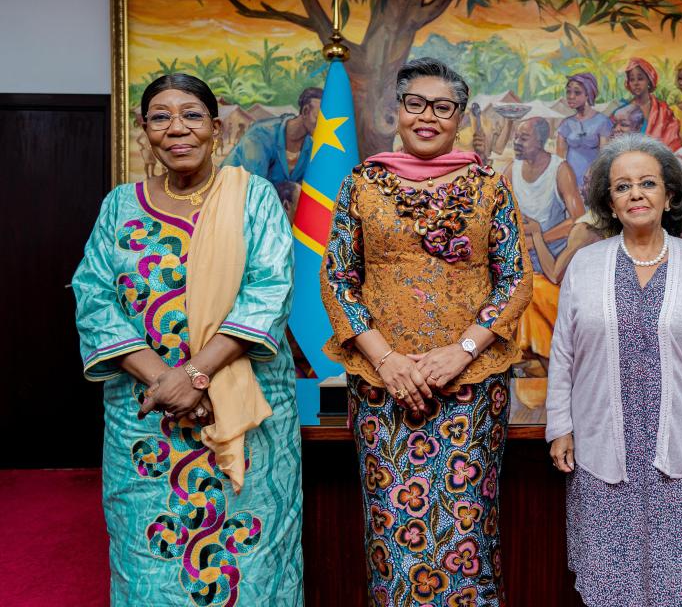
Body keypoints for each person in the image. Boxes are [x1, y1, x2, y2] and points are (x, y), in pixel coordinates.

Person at [73, 73, 303, 605]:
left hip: (243, 415)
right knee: (146, 561)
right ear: (144, 130)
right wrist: (167, 382)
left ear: (215, 129)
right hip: (146, 418)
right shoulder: (119, 207)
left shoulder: (254, 199)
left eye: (192, 116)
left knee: (255, 566)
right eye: (160, 116)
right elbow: (94, 298)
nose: (177, 129)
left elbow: (267, 293)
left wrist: (197, 376)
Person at [321, 57, 532, 606]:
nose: (427, 117)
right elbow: (338, 278)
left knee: (468, 527)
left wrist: (461, 351)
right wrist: (387, 360)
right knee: (392, 529)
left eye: (443, 107)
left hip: (470, 386)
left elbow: (515, 280)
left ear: (460, 116)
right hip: (381, 386)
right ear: (398, 110)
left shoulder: (489, 187)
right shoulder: (362, 184)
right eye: (416, 104)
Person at [546, 133, 682, 606]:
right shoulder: (585, 266)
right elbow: (563, 355)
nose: (636, 193)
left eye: (647, 183)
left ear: (669, 195)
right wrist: (561, 428)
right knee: (609, 581)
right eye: (623, 186)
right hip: (602, 455)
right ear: (610, 202)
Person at [505, 116, 585, 363]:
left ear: (541, 141)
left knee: (533, 291)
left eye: (523, 138)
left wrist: (538, 239)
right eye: (516, 137)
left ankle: (543, 359)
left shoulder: (560, 170)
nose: (516, 142)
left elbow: (578, 219)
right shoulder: (511, 170)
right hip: (520, 259)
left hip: (553, 261)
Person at [222, 86, 322, 216]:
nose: (324, 125)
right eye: (319, 118)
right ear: (305, 111)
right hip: (231, 205)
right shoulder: (261, 135)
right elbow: (252, 190)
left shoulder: (312, 148)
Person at [556, 72, 613, 194]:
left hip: (593, 179)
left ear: (588, 94)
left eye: (577, 92)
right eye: (568, 92)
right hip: (569, 181)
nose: (571, 96)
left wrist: (591, 176)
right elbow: (559, 158)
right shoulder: (566, 124)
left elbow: (604, 155)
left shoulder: (603, 121)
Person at [622, 58, 682, 151]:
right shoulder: (623, 108)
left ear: (649, 81)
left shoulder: (662, 110)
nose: (636, 83)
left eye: (640, 78)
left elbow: (672, 139)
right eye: (632, 79)